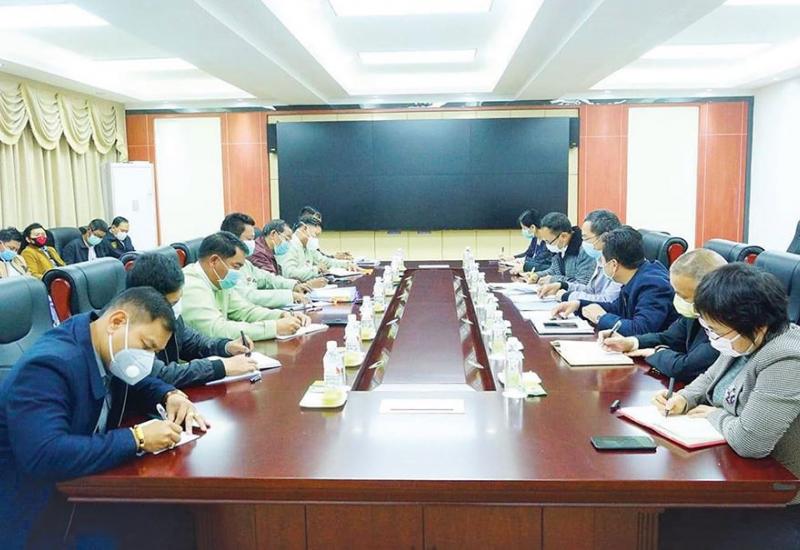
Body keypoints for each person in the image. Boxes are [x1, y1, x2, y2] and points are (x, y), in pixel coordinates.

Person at [0, 287, 208, 548]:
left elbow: (136, 382)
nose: (147, 359)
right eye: (146, 346)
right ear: (117, 321)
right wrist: (137, 438)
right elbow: (45, 454)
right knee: (162, 529)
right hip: (34, 513)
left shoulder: (98, 340)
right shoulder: (49, 367)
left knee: (180, 518)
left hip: (78, 488)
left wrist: (169, 395)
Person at [653, 263, 800, 503]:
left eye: (716, 331)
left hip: (776, 489)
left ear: (758, 327)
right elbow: (710, 377)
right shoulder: (744, 339)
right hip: (730, 465)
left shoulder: (788, 359)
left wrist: (714, 415)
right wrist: (684, 398)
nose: (713, 337)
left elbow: (750, 442)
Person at [127, 253, 258, 387]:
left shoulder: (171, 316)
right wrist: (220, 367)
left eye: (178, 300)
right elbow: (160, 375)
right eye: (172, 303)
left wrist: (226, 347)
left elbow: (195, 343)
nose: (177, 307)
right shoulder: (128, 330)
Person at [601, 248, 726, 381]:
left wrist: (657, 352)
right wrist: (631, 343)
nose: (678, 300)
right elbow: (668, 338)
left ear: (709, 293)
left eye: (683, 296)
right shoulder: (694, 312)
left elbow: (683, 367)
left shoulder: (726, 326)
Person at [551, 225, 677, 336]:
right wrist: (578, 305)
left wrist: (601, 317)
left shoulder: (653, 285)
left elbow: (640, 329)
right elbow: (617, 308)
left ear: (613, 264)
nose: (601, 263)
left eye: (602, 259)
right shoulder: (634, 277)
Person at [181, 231, 308, 341]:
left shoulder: (219, 280)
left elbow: (245, 311)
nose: (238, 273)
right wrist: (274, 327)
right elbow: (217, 329)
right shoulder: (190, 284)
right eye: (236, 267)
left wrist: (281, 315)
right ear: (214, 261)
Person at [219, 213, 314, 307]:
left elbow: (268, 278)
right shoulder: (226, 266)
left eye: (253, 239)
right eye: (249, 239)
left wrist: (293, 285)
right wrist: (289, 296)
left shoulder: (247, 263)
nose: (253, 243)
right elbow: (248, 296)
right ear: (232, 239)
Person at [538, 209, 622, 302]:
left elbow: (608, 301)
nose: (583, 243)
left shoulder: (619, 263)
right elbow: (590, 290)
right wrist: (563, 285)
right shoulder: (601, 259)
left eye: (586, 238)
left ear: (605, 237)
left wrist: (567, 296)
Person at [277, 215, 355, 282]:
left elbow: (325, 261)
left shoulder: (308, 248)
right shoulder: (290, 246)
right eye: (315, 235)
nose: (315, 239)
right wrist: (316, 270)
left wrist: (347, 264)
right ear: (304, 228)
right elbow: (289, 274)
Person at [524, 212, 595, 286]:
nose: (547, 245)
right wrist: (537, 275)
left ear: (563, 236)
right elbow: (554, 270)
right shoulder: (559, 247)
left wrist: (553, 280)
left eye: (548, 241)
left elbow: (582, 284)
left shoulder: (585, 250)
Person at [504, 209, 553, 275]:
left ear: (532, 227)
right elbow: (529, 253)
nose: (523, 231)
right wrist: (514, 258)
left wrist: (525, 265)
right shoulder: (535, 238)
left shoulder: (548, 241)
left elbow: (545, 264)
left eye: (524, 228)